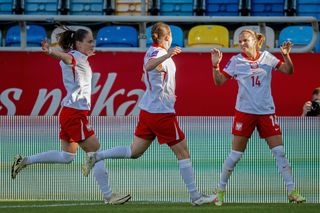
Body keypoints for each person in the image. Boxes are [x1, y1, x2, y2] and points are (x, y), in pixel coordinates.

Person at [81, 22, 215, 206]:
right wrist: (167, 56)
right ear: (167, 38)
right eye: (170, 39)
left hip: (149, 110)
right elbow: (150, 67)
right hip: (161, 113)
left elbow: (146, 76)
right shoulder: (159, 53)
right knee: (183, 153)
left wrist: (166, 90)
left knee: (134, 152)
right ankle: (195, 196)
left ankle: (97, 156)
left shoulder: (152, 51)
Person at [11, 27, 131, 205]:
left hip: (69, 112)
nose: (93, 44)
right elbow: (67, 58)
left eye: (93, 40)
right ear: (78, 43)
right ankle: (108, 196)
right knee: (95, 151)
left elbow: (70, 59)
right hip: (74, 114)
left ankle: (25, 161)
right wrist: (51, 51)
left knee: (67, 157)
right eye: (89, 41)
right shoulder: (74, 57)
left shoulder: (81, 58)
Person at [210, 29, 306, 206]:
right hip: (244, 113)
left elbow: (288, 71)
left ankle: (292, 191)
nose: (242, 44)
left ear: (254, 41)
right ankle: (220, 191)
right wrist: (215, 66)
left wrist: (286, 56)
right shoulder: (236, 61)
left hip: (266, 112)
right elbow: (219, 82)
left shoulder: (267, 57)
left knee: (280, 153)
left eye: (245, 40)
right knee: (236, 155)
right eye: (240, 41)